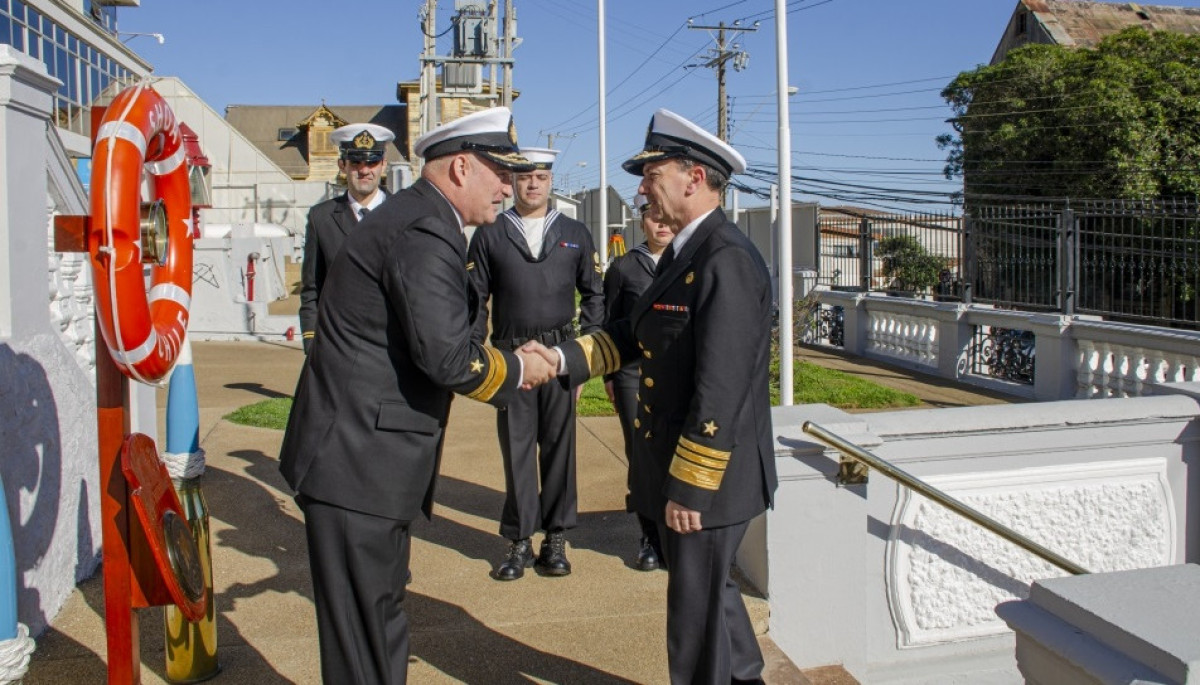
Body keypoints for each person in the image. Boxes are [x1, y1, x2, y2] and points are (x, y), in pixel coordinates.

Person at [278, 107, 555, 685]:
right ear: (459, 167)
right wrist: (519, 368)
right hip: (356, 464)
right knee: (365, 642)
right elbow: (448, 356)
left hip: (362, 462)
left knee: (376, 625)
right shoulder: (425, 229)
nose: (508, 186)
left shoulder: (419, 218)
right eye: (499, 172)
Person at [536, 108, 778, 684]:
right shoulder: (684, 252)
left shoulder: (726, 259)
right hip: (688, 470)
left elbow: (721, 386)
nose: (641, 187)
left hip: (712, 477)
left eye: (652, 173)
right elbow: (634, 335)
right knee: (711, 597)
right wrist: (561, 360)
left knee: (693, 620)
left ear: (694, 178)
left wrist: (691, 487)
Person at [466, 147, 605, 580]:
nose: (532, 184)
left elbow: (595, 297)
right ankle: (520, 539)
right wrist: (479, 362)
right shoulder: (490, 233)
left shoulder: (575, 232)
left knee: (561, 452)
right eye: (524, 177)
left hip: (560, 358)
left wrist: (581, 361)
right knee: (518, 451)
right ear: (511, 181)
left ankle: (556, 539)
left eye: (540, 177)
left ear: (550, 181)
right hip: (512, 361)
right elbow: (474, 303)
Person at [602, 194, 674, 572]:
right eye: (652, 217)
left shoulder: (688, 262)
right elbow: (611, 325)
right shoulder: (624, 268)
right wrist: (611, 376)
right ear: (641, 221)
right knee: (640, 455)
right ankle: (649, 535)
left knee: (675, 452)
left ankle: (673, 533)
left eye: (666, 216)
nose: (661, 224)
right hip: (633, 374)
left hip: (676, 375)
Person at [298, 122, 394, 353]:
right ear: (342, 165)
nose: (364, 170)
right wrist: (311, 342)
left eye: (372, 162)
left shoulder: (403, 214)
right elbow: (312, 288)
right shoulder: (321, 217)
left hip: (392, 344)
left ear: (383, 165)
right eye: (356, 163)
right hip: (340, 343)